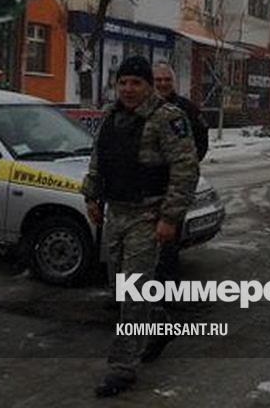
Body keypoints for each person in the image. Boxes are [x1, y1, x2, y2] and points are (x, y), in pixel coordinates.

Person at [82, 56, 199, 397]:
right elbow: (98, 158)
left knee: (133, 291)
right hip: (116, 212)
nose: (128, 89)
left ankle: (123, 368)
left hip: (147, 215)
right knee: (120, 289)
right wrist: (92, 195)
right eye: (123, 82)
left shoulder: (167, 118)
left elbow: (185, 169)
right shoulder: (111, 115)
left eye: (136, 83)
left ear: (148, 86)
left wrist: (170, 217)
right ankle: (160, 324)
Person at [152, 61, 209, 285]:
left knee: (169, 243)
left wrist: (185, 168)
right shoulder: (142, 107)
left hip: (174, 188)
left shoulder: (187, 109)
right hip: (147, 188)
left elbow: (201, 142)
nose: (163, 84)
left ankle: (167, 290)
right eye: (158, 80)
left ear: (173, 82)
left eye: (167, 80)